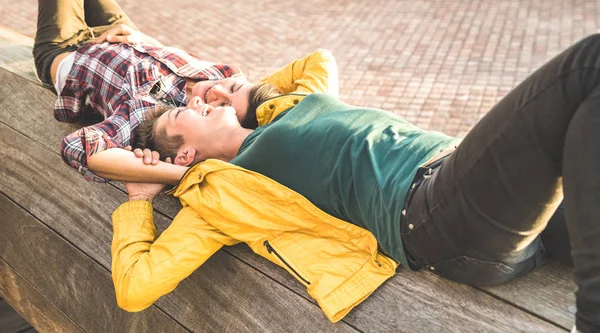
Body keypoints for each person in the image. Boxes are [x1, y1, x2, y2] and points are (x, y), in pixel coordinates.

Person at [113, 34, 600, 332]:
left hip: (494, 200)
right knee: (586, 68)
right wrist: (142, 191)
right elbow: (136, 287)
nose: (198, 100)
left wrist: (239, 93)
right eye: (184, 111)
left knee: (584, 120)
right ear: (184, 153)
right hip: (434, 212)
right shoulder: (220, 193)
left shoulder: (284, 106)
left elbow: (317, 60)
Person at [34, 0, 337, 183]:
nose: (216, 89)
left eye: (220, 103)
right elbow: (318, 62)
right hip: (128, 35)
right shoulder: (230, 79)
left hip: (69, 50)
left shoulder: (154, 117)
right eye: (232, 89)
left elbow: (77, 148)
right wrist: (147, 39)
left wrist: (186, 175)